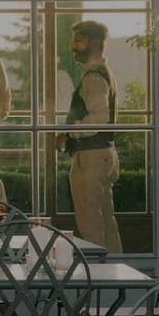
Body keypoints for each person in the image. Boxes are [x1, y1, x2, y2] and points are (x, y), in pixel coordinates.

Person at [59, 19, 121, 252]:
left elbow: (99, 118)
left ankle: (96, 280)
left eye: (78, 41)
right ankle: (117, 275)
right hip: (106, 154)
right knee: (107, 223)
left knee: (90, 225)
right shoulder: (105, 72)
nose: (72, 46)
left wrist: (67, 132)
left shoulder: (94, 77)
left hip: (91, 156)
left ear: (94, 43)